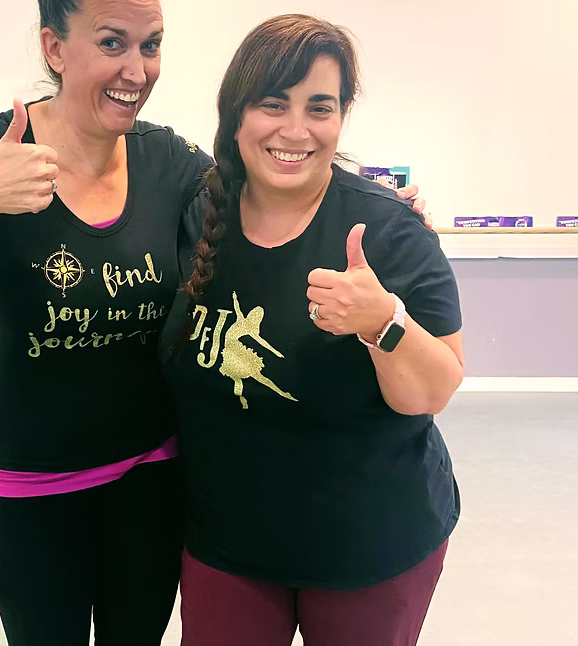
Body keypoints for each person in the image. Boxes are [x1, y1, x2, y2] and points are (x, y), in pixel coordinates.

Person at [0, 2, 428, 644]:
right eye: (113, 43)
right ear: (55, 48)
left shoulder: (169, 163)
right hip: (30, 490)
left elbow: (270, 178)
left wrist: (381, 206)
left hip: (152, 483)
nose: (137, 68)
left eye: (151, 45)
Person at [162, 13, 464, 646]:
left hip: (369, 548)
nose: (295, 130)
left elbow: (434, 390)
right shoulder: (195, 210)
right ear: (237, 113)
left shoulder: (388, 231)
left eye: (319, 108)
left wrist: (385, 323)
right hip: (227, 543)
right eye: (273, 104)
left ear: (342, 116)